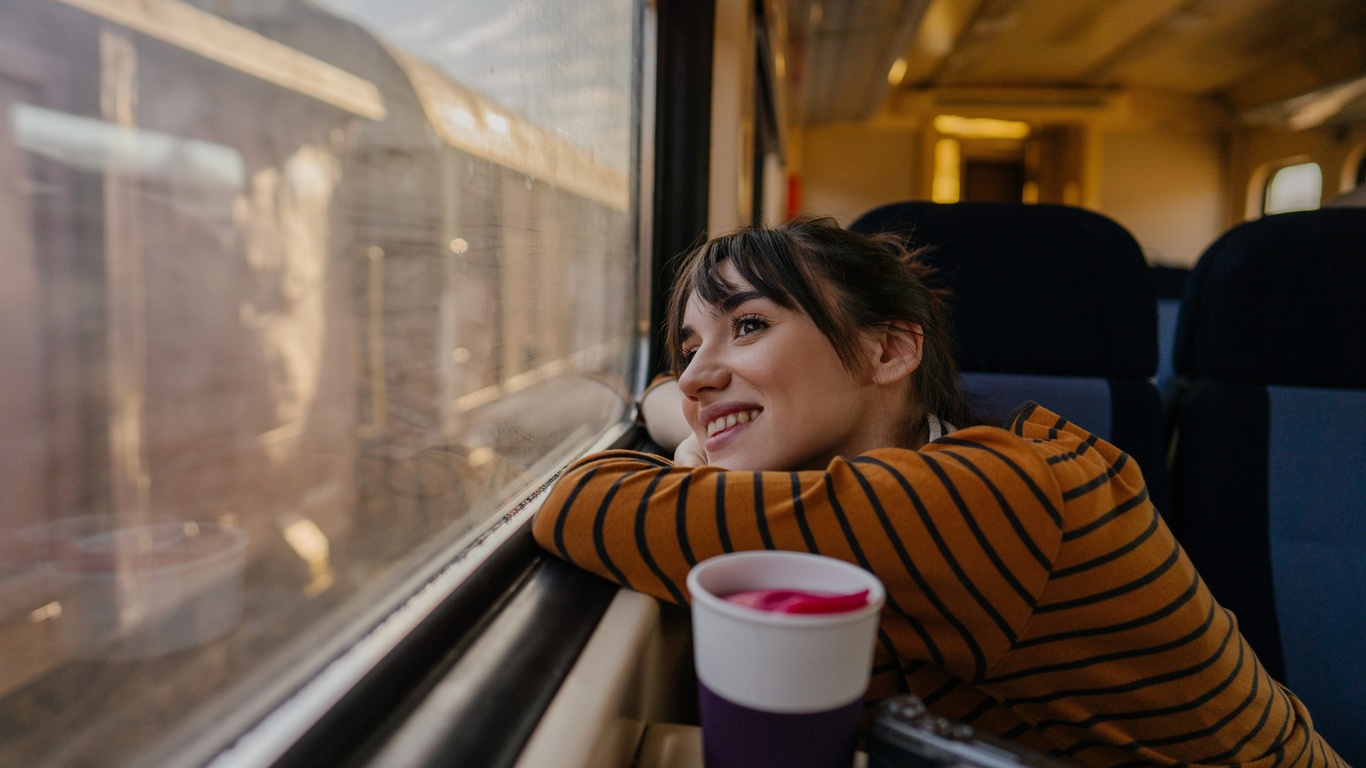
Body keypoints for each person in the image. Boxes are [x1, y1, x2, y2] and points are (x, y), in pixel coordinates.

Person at [531, 217, 1344, 768]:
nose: (701, 376)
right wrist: (700, 420)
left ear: (889, 351)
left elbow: (578, 502)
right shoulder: (896, 488)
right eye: (689, 345)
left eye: (748, 327)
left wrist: (695, 442)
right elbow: (675, 398)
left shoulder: (987, 496)